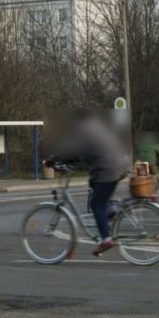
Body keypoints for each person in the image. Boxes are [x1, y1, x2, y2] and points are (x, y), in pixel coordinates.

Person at [44, 107, 130, 256]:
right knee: (96, 188)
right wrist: (74, 159)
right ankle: (110, 210)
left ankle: (106, 239)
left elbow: (70, 148)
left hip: (107, 167)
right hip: (119, 163)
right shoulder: (97, 126)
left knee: (95, 203)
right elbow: (85, 150)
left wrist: (52, 159)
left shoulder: (83, 128)